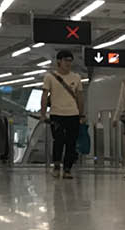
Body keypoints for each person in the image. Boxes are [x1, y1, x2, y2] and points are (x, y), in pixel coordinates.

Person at [41, 50, 85, 179]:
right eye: (66, 60)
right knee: (58, 141)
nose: (68, 63)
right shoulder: (49, 77)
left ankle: (67, 169)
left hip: (73, 115)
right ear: (59, 61)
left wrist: (81, 114)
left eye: (70, 61)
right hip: (56, 114)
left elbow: (80, 97)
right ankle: (56, 166)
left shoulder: (76, 77)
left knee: (71, 143)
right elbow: (44, 96)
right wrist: (43, 114)